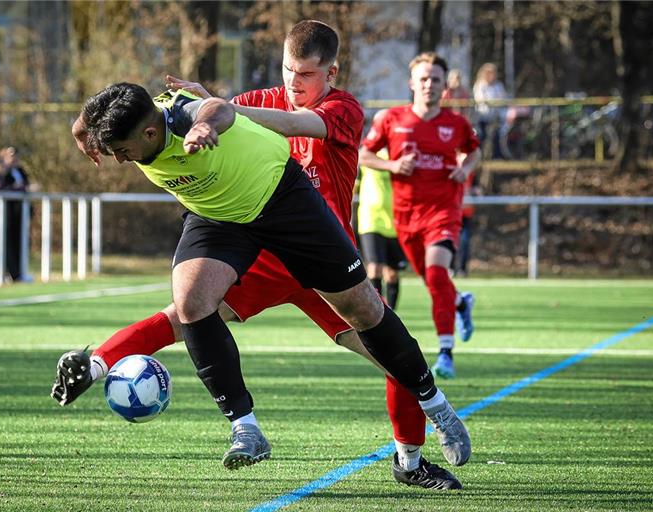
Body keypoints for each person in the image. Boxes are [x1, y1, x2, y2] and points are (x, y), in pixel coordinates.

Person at [53, 21, 466, 490]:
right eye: (289, 70)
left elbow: (282, 123)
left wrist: (213, 112)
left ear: (332, 73)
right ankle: (105, 366)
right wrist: (204, 108)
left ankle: (411, 459)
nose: (294, 82)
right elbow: (204, 112)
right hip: (259, 254)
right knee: (185, 311)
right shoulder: (254, 99)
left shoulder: (344, 108)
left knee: (384, 345)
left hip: (315, 248)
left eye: (307, 74)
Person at [359, 52, 481, 380]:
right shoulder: (391, 120)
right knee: (431, 279)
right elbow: (364, 154)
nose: (429, 85)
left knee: (436, 271)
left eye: (435, 80)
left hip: (443, 212)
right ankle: (459, 304)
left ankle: (445, 352)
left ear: (444, 87)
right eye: (423, 79)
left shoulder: (456, 124)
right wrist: (392, 165)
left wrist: (465, 168)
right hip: (405, 217)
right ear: (412, 83)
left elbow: (474, 150)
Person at [356, 111, 406, 310]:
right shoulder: (367, 153)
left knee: (392, 273)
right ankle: (378, 312)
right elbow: (360, 162)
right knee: (374, 268)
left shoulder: (399, 151)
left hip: (395, 221)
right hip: (371, 219)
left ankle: (392, 313)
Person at [0, 146, 33, 282]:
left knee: (16, 242)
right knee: (0, 242)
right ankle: (5, 273)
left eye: (15, 155)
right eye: (11, 155)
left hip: (16, 214)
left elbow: (25, 184)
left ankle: (14, 273)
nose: (14, 158)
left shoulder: (20, 171)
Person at [472, 62, 508, 159]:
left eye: (494, 73)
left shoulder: (498, 85)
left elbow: (503, 99)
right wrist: (492, 103)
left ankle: (496, 157)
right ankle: (478, 157)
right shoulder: (480, 85)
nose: (492, 75)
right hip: (482, 117)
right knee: (481, 136)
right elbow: (480, 100)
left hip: (495, 117)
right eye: (490, 73)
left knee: (496, 136)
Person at [454, 171, 481, 277]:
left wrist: (474, 191)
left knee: (464, 242)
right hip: (452, 213)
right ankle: (450, 268)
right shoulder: (451, 168)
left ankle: (462, 269)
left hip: (466, 214)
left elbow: (477, 189)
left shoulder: (471, 173)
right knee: (449, 242)